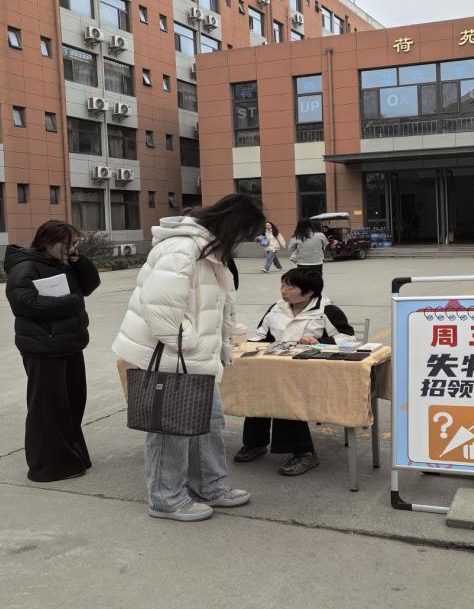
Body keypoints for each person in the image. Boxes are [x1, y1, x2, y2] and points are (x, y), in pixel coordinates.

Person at [112, 193, 266, 522]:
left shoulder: (209, 250)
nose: (243, 242)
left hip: (196, 358)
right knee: (172, 431)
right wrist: (191, 345)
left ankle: (209, 486)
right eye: (244, 233)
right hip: (174, 357)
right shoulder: (182, 249)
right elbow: (160, 310)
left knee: (209, 424)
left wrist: (214, 348)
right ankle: (165, 499)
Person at [4, 221, 100, 482]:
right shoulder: (25, 267)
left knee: (72, 403)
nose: (71, 248)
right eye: (67, 243)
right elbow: (25, 303)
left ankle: (72, 456)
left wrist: (79, 260)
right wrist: (71, 302)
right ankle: (48, 466)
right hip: (43, 347)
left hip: (69, 344)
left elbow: (90, 285)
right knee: (48, 408)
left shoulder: (64, 263)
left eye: (75, 243)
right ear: (47, 241)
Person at [234, 268, 355, 476]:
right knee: (259, 389)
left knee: (285, 394)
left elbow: (349, 339)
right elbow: (261, 336)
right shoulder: (276, 308)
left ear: (309, 292)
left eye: (290, 287)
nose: (284, 291)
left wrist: (319, 341)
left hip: (312, 374)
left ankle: (304, 452)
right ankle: (255, 443)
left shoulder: (327, 311)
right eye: (282, 285)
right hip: (279, 367)